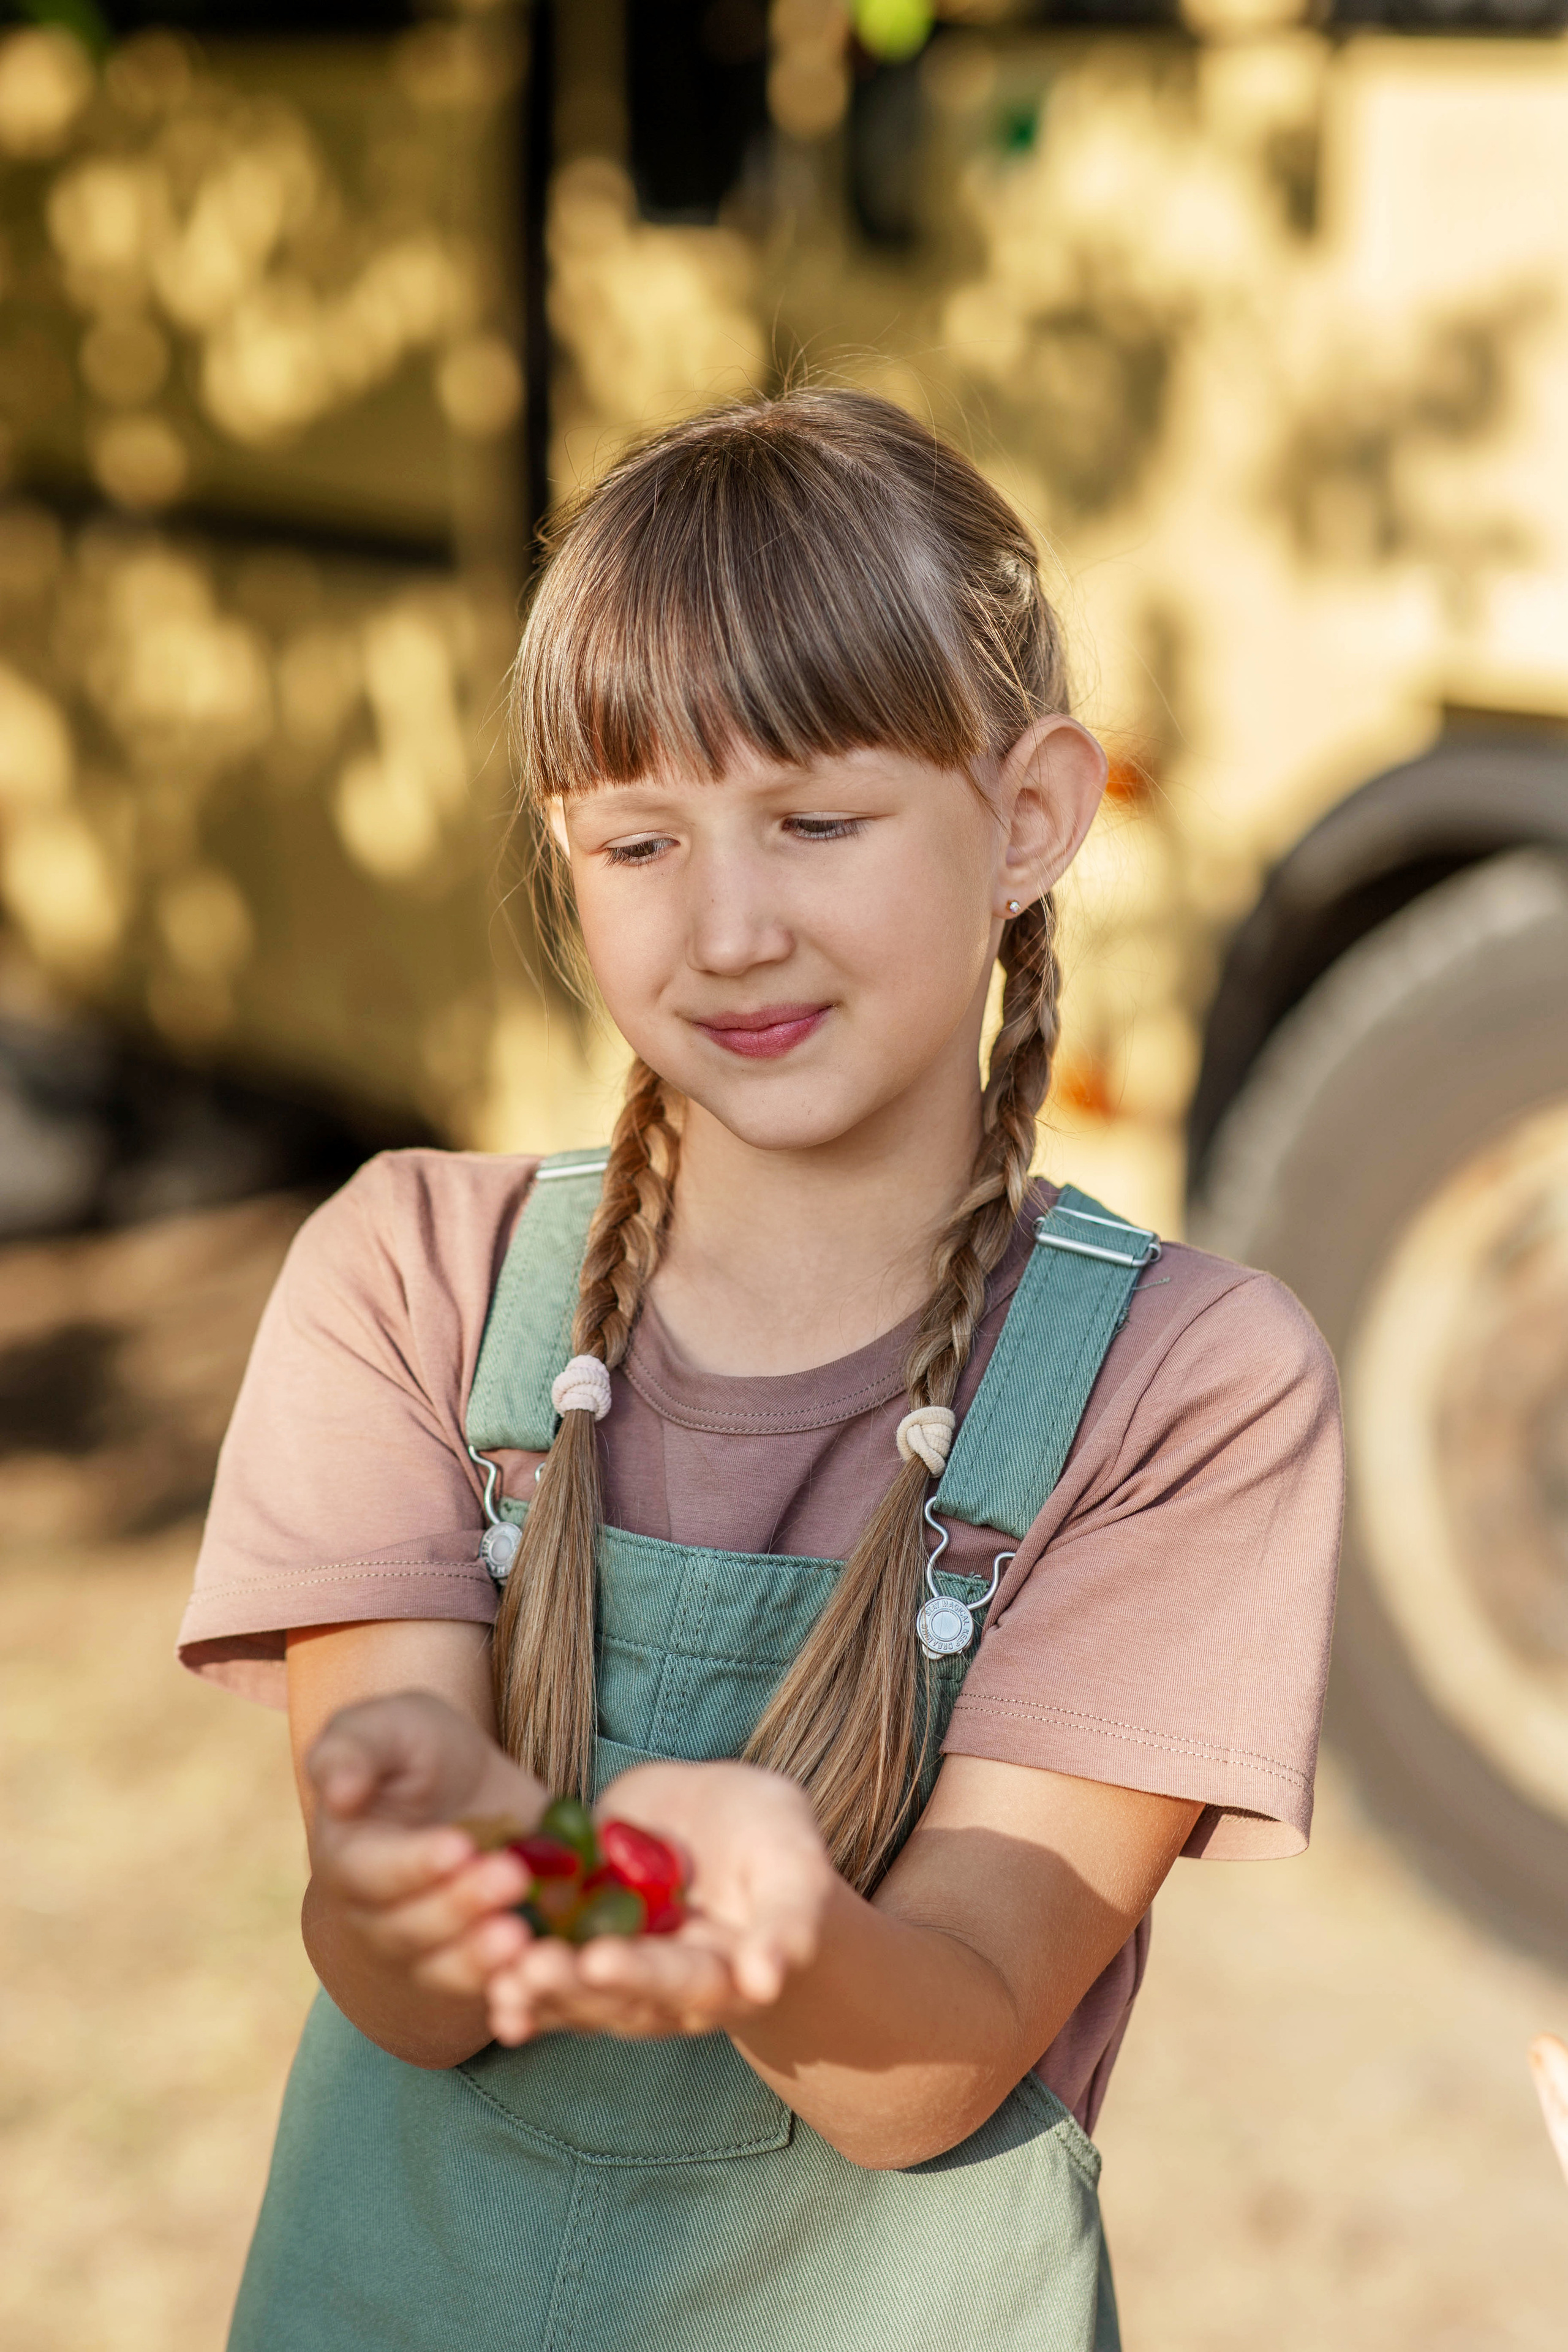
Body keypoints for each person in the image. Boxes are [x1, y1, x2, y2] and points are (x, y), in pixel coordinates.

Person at [178, 388, 1343, 2352]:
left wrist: (780, 1934)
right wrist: (435, 1862)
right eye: (638, 840)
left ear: (1032, 815)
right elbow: (405, 1996)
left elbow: (930, 2070)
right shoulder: (411, 1274)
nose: (728, 927)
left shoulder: (1193, 1383)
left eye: (817, 819)